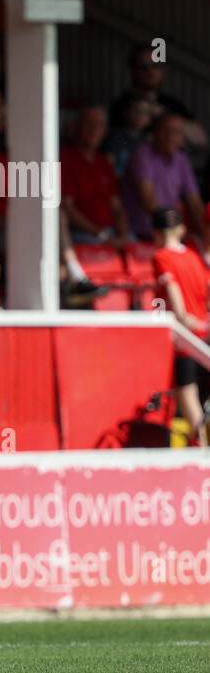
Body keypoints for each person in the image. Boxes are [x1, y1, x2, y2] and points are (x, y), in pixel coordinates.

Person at [151, 207, 210, 440]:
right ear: (182, 229)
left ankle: (203, 449)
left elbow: (175, 299)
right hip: (204, 332)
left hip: (184, 338)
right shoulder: (194, 257)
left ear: (155, 233)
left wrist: (184, 318)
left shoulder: (161, 257)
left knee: (187, 393)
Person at [122, 113, 204, 243]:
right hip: (141, 233)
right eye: (165, 130)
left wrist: (205, 229)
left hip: (169, 233)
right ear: (155, 132)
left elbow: (194, 201)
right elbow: (148, 200)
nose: (170, 136)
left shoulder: (181, 159)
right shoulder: (142, 154)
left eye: (176, 132)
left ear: (182, 137)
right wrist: (171, 230)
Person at [61, 106, 127, 245]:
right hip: (82, 234)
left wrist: (123, 234)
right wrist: (100, 233)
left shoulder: (103, 162)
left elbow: (116, 206)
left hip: (111, 233)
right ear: (77, 127)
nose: (94, 129)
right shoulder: (65, 159)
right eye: (89, 123)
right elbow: (68, 208)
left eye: (100, 125)